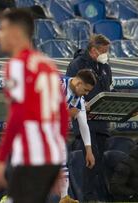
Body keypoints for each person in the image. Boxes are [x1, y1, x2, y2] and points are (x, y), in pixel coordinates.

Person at [0, 8, 69, 203]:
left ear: (14, 32)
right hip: (51, 156)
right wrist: (58, 160)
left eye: (2, 29)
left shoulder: (16, 66)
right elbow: (63, 114)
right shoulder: (47, 64)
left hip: (32, 156)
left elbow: (18, 113)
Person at [66, 34, 112, 201]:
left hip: (103, 122)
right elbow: (71, 92)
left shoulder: (105, 66)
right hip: (85, 120)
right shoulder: (77, 65)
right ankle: (87, 197)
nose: (106, 54)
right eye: (104, 51)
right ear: (93, 51)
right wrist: (79, 105)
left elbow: (108, 91)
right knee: (90, 160)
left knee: (97, 162)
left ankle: (94, 196)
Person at [59, 69, 97, 203]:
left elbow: (83, 125)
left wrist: (89, 151)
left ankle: (64, 197)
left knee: (62, 160)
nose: (86, 94)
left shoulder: (78, 99)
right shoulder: (57, 85)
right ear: (78, 83)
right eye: (85, 90)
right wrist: (66, 114)